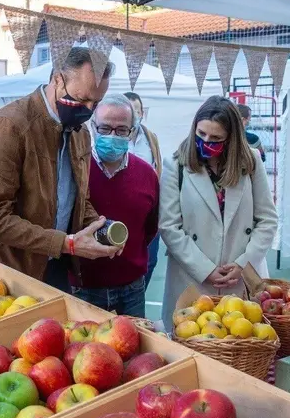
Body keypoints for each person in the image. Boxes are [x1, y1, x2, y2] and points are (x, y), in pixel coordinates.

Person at [0, 47, 122, 288]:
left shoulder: (80, 133)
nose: (89, 110)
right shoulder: (8, 126)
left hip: (55, 264)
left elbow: (79, 198)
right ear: (57, 80)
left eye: (96, 102)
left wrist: (99, 228)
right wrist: (66, 243)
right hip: (3, 271)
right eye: (82, 99)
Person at [159, 96, 276, 328]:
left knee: (239, 346)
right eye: (201, 134)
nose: (206, 142)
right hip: (190, 279)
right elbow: (169, 227)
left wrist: (244, 262)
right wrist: (205, 269)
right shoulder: (176, 163)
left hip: (240, 278)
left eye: (216, 138)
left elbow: (267, 219)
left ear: (231, 138)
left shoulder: (251, 162)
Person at [70, 95, 159, 317]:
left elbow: (150, 228)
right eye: (105, 128)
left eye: (121, 130)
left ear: (132, 131)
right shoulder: (76, 170)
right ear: (93, 126)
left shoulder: (146, 174)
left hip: (132, 289)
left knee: (136, 349)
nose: (112, 135)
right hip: (83, 288)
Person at [123, 91, 163, 290]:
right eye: (129, 111)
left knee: (150, 260)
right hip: (123, 211)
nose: (133, 115)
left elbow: (157, 167)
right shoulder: (114, 139)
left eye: (136, 111)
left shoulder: (150, 138)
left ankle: (140, 292)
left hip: (147, 209)